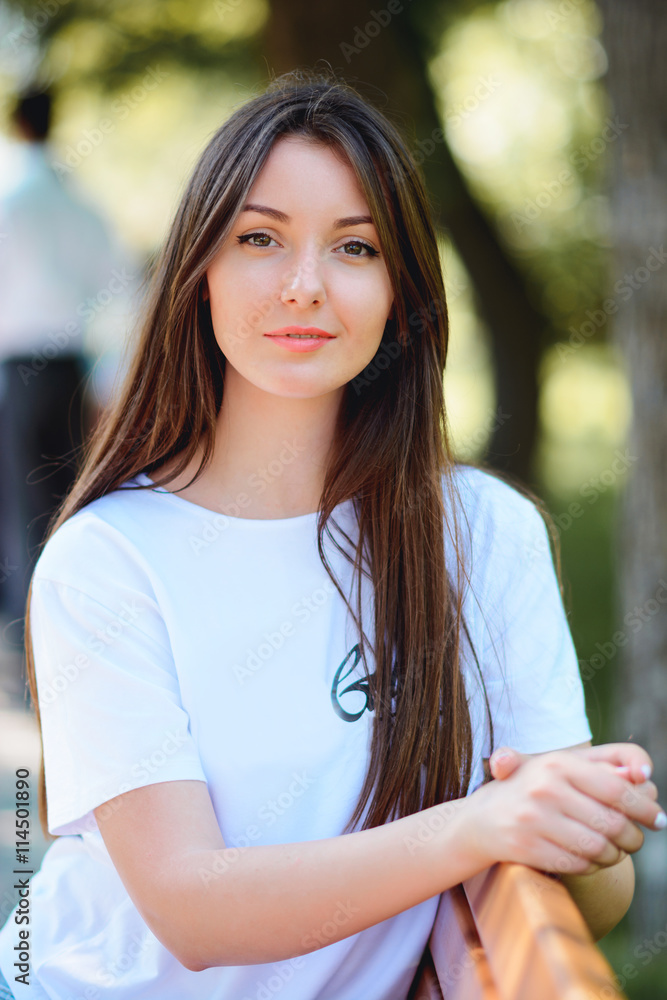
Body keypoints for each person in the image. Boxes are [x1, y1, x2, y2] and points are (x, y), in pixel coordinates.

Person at [0, 67, 663, 1000]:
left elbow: (588, 895)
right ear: (199, 273)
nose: (305, 286)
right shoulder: (108, 560)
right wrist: (480, 825)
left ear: (401, 291)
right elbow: (192, 911)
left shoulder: (485, 533)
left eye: (354, 248)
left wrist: (589, 820)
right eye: (260, 239)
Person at [0, 86, 138, 639]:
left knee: (19, 506)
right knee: (66, 505)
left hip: (19, 374)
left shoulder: (10, 200)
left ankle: (26, 643)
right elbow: (124, 292)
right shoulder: (81, 205)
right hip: (73, 375)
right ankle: (67, 634)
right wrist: (109, 375)